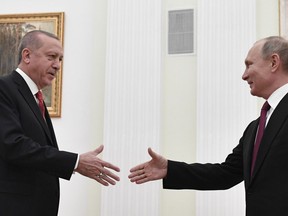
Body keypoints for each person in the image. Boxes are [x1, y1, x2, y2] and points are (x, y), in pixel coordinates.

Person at [128, 36, 288, 216]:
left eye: (249, 65)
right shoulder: (255, 127)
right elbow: (226, 174)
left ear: (274, 62)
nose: (244, 75)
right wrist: (170, 169)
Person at [0, 30, 120, 216]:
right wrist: (75, 162)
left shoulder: (35, 97)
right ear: (27, 55)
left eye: (60, 59)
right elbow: (13, 145)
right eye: (51, 57)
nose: (57, 65)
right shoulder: (4, 88)